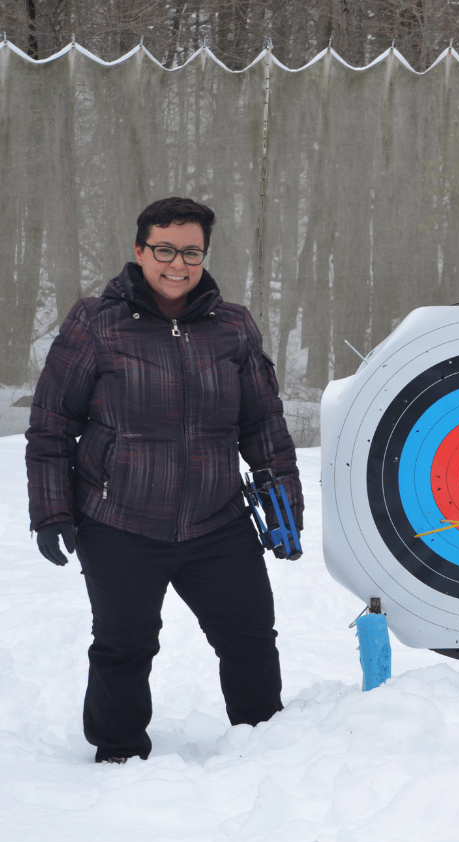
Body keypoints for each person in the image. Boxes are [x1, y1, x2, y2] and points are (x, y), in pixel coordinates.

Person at [26, 197, 303, 764]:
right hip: (119, 519)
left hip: (218, 519)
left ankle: (265, 745)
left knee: (250, 639)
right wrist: (52, 511)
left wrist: (284, 506)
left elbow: (262, 424)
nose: (177, 264)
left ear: (204, 256)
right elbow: (53, 424)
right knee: (124, 646)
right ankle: (118, 753)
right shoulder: (95, 322)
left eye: (191, 252)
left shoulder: (233, 326)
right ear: (140, 250)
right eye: (165, 249)